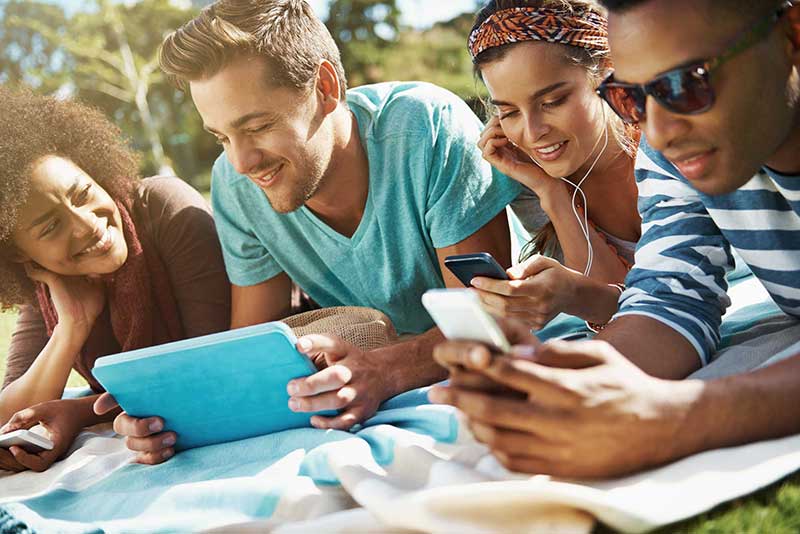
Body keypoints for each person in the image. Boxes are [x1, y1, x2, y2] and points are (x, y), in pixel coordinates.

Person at [95, 0, 522, 463]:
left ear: (325, 86)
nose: (241, 161)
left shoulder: (425, 128)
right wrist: (167, 419)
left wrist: (386, 368)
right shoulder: (235, 186)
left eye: (257, 126)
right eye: (221, 136)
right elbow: (253, 346)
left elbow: (484, 322)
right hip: (364, 374)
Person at [430, 0, 800, 478]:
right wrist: (567, 374)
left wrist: (681, 416)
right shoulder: (668, 153)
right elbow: (672, 300)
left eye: (687, 85)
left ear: (791, 34)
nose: (659, 132)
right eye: (632, 97)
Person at [0, 88, 231, 471]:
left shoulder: (164, 209)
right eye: (51, 226)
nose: (87, 225)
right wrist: (71, 327)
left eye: (83, 193)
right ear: (22, 255)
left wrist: (80, 412)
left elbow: (212, 365)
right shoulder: (47, 284)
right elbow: (9, 418)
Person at [468, 0, 641, 331]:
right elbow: (618, 315)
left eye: (552, 102)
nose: (533, 133)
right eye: (509, 112)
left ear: (607, 72)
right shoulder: (535, 181)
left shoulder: (661, 145)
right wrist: (552, 191)